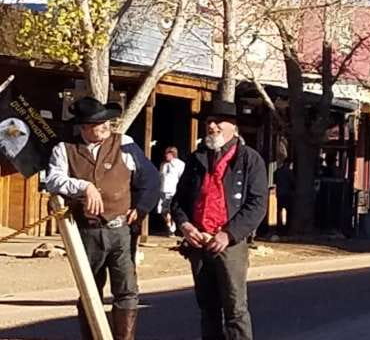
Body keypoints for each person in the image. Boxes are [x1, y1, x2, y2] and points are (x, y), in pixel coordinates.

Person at [44, 96, 160, 340]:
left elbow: (150, 178)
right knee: (90, 291)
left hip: (121, 229)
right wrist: (84, 186)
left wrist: (141, 208)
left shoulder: (125, 143)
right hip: (86, 232)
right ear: (84, 127)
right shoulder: (64, 149)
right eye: (99, 123)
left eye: (107, 121)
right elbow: (53, 179)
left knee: (127, 292)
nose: (106, 126)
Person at [171, 100, 268, 340]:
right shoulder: (196, 160)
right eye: (209, 122)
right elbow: (178, 201)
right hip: (199, 241)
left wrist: (228, 234)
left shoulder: (250, 159)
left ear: (233, 127)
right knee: (208, 309)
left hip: (230, 243)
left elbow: (257, 204)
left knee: (235, 309)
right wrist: (185, 226)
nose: (212, 127)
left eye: (218, 122)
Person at [158, 146, 185, 235]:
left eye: (168, 154)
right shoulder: (163, 164)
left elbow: (182, 178)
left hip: (173, 191)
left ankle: (172, 228)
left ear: (173, 154)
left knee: (171, 209)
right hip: (163, 191)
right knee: (163, 210)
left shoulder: (180, 164)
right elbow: (160, 177)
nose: (166, 156)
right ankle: (170, 225)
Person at [273, 158, 295, 235]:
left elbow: (274, 181)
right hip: (287, 194)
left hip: (279, 193)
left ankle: (279, 227)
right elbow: (293, 182)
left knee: (279, 211)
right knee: (288, 211)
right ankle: (286, 228)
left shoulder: (277, 171)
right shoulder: (289, 172)